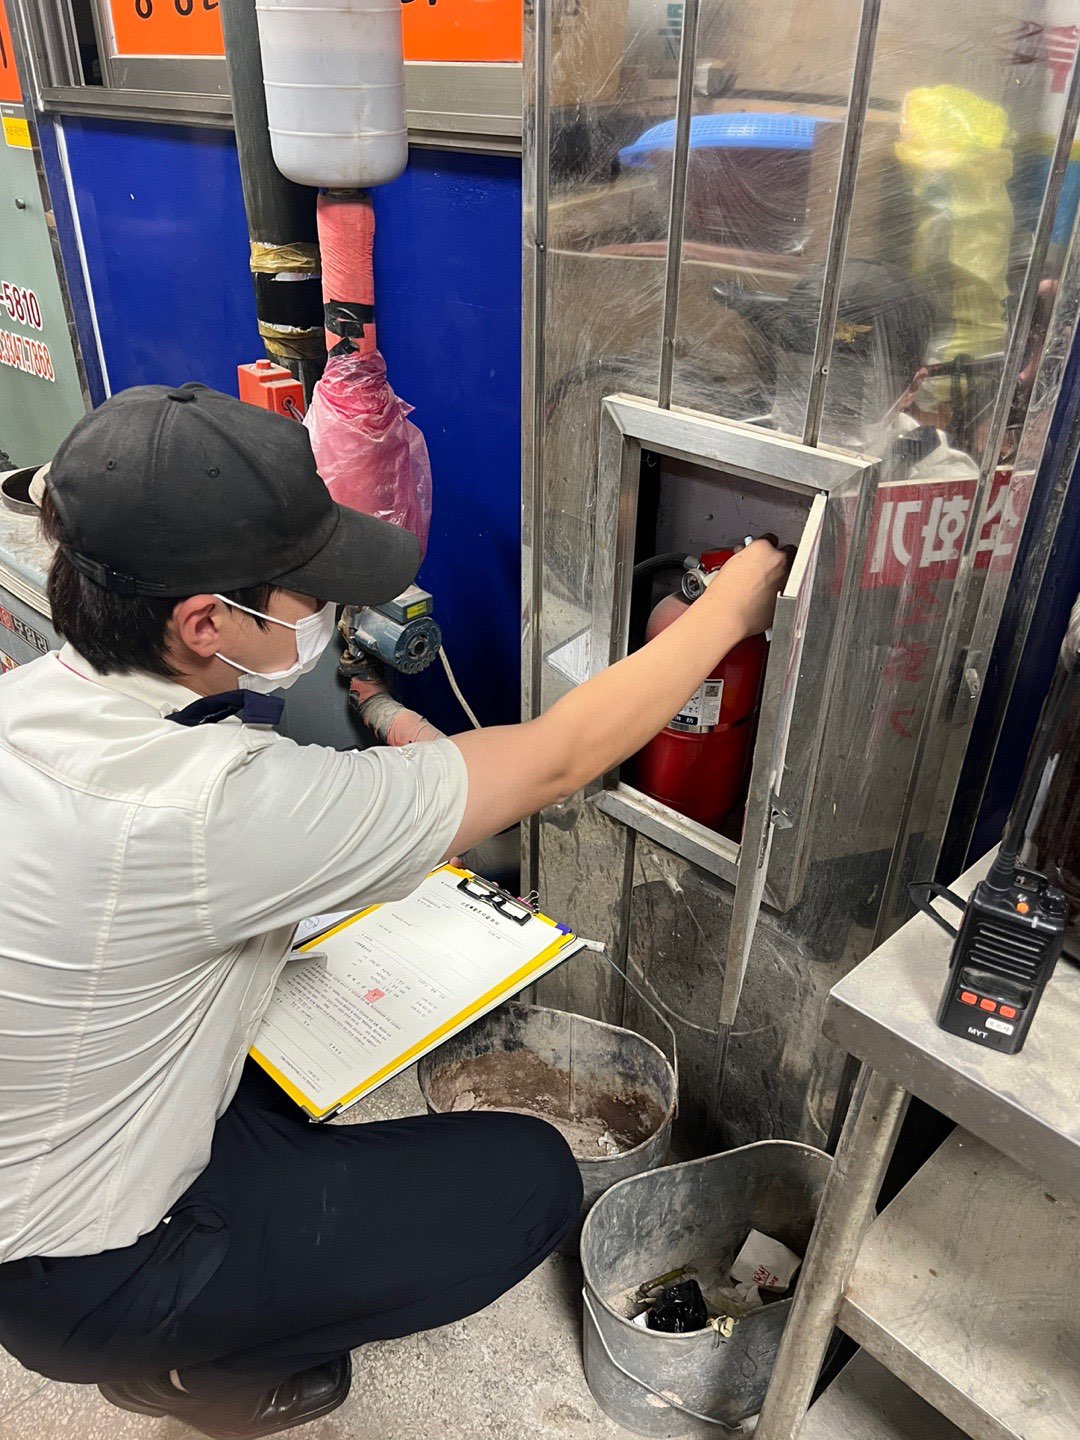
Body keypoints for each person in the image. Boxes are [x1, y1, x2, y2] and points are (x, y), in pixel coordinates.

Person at [0, 384, 786, 1440]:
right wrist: (732, 611)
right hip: (82, 1270)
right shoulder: (211, 805)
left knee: (296, 1035)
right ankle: (188, 1367)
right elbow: (557, 757)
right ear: (203, 623)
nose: (327, 612)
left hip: (36, 1170)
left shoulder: (33, 703)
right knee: (527, 1184)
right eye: (306, 592)